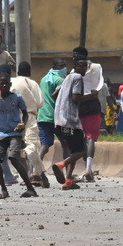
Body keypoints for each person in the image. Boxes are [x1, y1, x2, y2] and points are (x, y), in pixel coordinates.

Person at [0, 70, 39, 199]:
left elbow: (25, 113)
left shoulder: (17, 98)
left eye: (6, 84)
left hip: (14, 134)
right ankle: (4, 190)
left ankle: (30, 188)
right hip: (0, 134)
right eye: (1, 84)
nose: (4, 86)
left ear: (10, 85)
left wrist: (23, 123)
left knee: (13, 158)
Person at [50, 57, 92, 190]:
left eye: (86, 66)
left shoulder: (67, 78)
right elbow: (76, 98)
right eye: (81, 66)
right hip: (70, 120)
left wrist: (62, 104)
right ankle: (61, 165)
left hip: (60, 119)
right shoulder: (77, 78)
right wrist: (92, 96)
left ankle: (68, 180)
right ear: (75, 66)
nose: (84, 69)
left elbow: (54, 94)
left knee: (74, 150)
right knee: (81, 151)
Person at [10, 61, 49, 187]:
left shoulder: (11, 82)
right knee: (31, 146)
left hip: (14, 117)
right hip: (30, 116)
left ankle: (27, 176)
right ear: (30, 72)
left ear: (18, 71)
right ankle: (39, 175)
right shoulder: (32, 83)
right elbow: (40, 103)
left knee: (19, 147)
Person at [72, 47, 103, 181]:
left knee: (84, 139)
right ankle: (88, 168)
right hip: (93, 103)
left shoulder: (74, 71)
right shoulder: (97, 67)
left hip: (80, 105)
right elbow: (100, 83)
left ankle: (86, 168)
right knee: (91, 138)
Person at [38, 58, 68, 163]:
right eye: (61, 66)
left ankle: (34, 171)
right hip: (56, 117)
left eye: (64, 65)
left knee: (44, 146)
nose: (64, 68)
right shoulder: (60, 80)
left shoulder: (43, 79)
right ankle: (67, 172)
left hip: (42, 116)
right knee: (66, 144)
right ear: (54, 66)